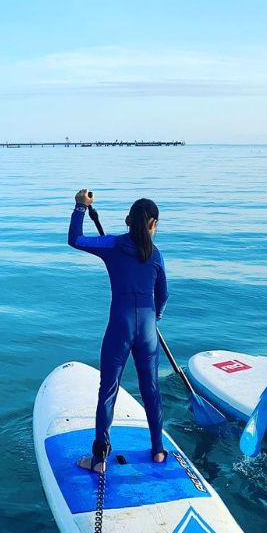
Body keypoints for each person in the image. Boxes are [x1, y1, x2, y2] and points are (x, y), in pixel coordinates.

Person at [68, 189, 169, 473]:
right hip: (148, 329)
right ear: (153, 225)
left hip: (120, 327)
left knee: (108, 390)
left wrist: (79, 208)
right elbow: (163, 295)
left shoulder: (112, 245)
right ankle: (158, 451)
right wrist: (155, 318)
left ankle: (99, 459)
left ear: (127, 220)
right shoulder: (156, 255)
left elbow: (75, 239)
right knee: (152, 390)